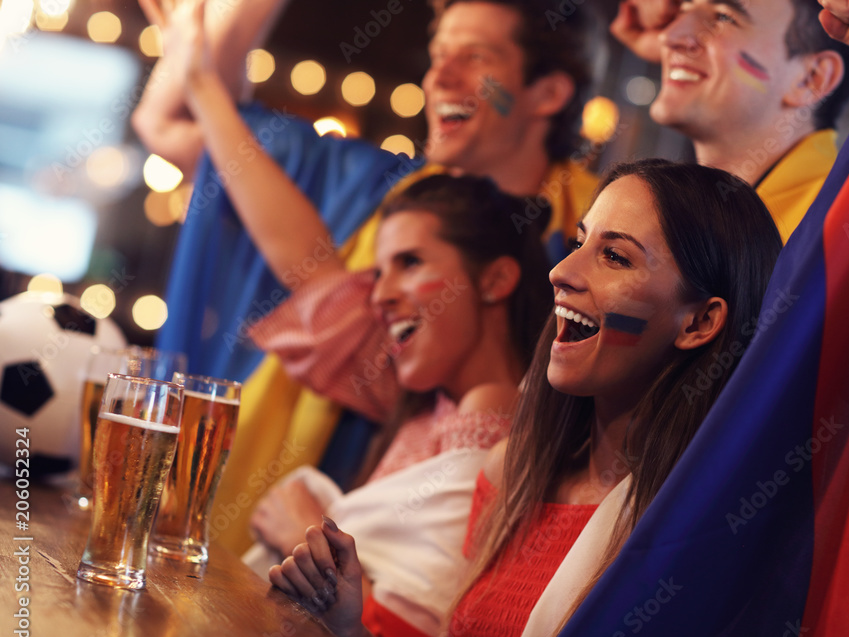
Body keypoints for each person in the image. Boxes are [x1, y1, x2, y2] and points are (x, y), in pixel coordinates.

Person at [268, 158, 783, 637]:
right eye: (579, 242)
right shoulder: (510, 473)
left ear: (699, 323)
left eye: (616, 258)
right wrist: (350, 630)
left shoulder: (697, 529)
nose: (562, 271)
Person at [132, 0, 601, 554]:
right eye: (437, 54)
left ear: (548, 92)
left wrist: (203, 80)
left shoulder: (589, 242)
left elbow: (361, 337)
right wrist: (208, 48)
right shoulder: (376, 186)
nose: (440, 77)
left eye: (475, 57)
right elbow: (168, 121)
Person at [244, 172, 552, 637]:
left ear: (496, 279)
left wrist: (304, 534)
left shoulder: (491, 410)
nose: (379, 295)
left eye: (409, 262)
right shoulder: (425, 405)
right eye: (379, 271)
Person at [612, 0, 849, 242]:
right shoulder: (687, 216)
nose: (668, 37)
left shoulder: (839, 229)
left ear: (811, 79)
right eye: (683, 9)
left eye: (724, 16)